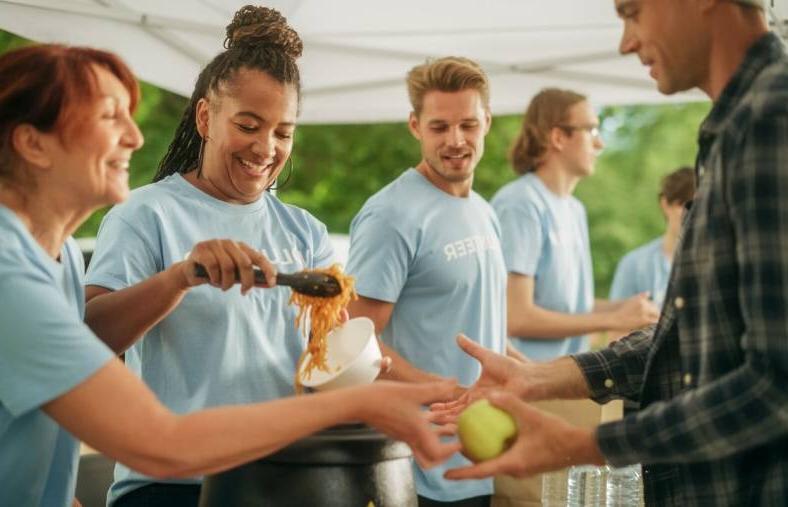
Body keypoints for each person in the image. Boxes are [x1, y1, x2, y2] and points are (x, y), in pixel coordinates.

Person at [0, 13, 458, 507]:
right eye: (111, 117)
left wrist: (423, 386)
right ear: (205, 118)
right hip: (176, 485)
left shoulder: (61, 254)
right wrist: (178, 279)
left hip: (279, 475)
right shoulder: (41, 259)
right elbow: (155, 434)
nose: (134, 135)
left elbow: (329, 356)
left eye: (284, 131)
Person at [438, 0, 788, 505]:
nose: (626, 41)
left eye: (633, 11)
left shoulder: (769, 122)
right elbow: (691, 338)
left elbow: (776, 382)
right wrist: (543, 376)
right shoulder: (731, 130)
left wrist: (589, 444)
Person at [345, 57, 507, 507]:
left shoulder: (485, 211)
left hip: (478, 460)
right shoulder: (391, 215)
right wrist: (445, 392)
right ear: (415, 126)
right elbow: (355, 343)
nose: (456, 141)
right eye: (439, 127)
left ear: (487, 122)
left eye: (468, 125)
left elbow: (484, 326)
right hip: (414, 469)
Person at [491, 89, 660, 361]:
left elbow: (569, 308)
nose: (600, 143)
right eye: (592, 130)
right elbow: (517, 316)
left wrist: (628, 309)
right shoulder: (520, 204)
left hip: (562, 379)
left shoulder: (574, 209)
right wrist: (613, 319)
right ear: (558, 137)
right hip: (524, 380)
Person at [609, 166, 694, 308]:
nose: (692, 213)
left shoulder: (718, 262)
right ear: (665, 204)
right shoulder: (634, 264)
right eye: (685, 204)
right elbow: (615, 327)